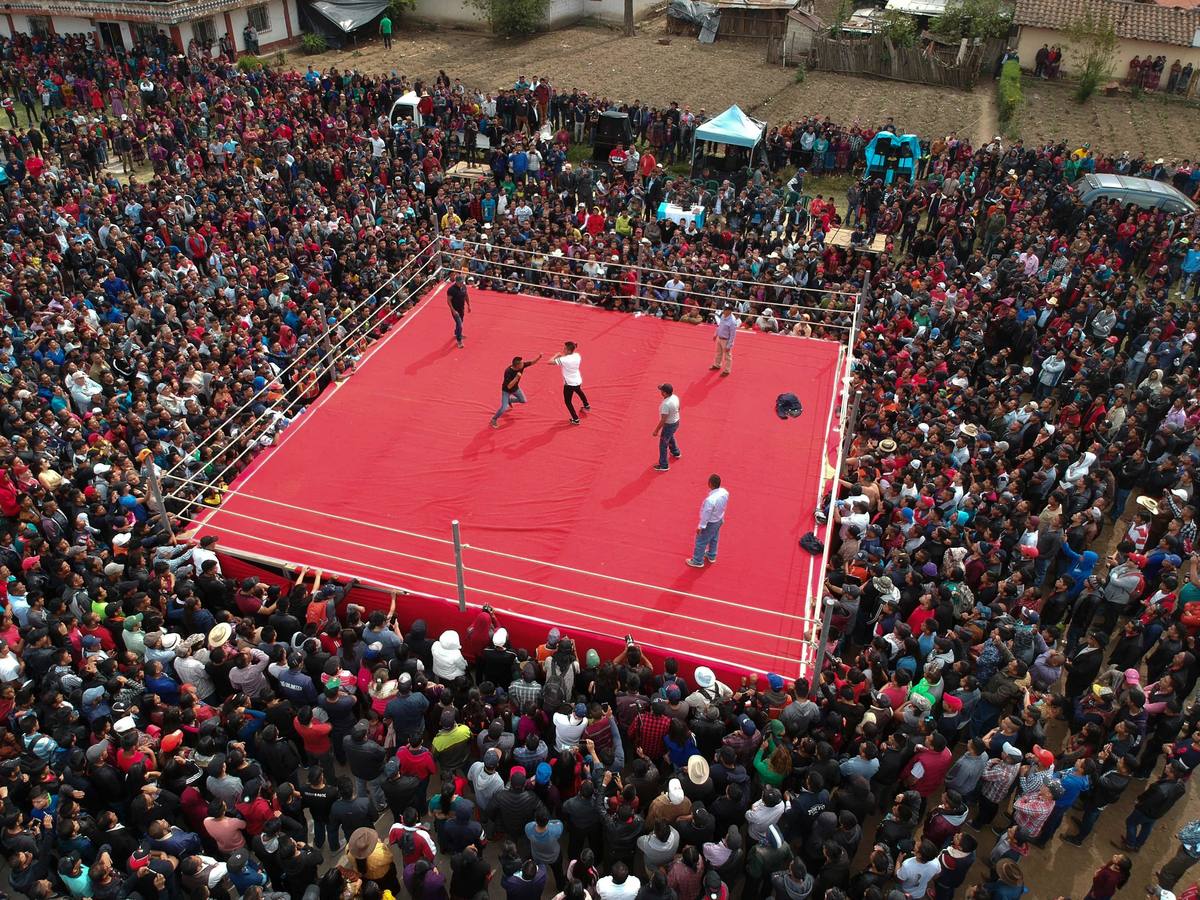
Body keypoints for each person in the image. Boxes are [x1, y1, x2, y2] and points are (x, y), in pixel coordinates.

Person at [687, 474, 729, 568]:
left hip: (710, 522)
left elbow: (706, 514)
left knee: (701, 541)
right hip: (719, 519)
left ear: (710, 484)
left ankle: (698, 561)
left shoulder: (710, 500)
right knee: (714, 538)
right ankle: (711, 555)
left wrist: (701, 526)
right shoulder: (724, 492)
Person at [491, 353, 543, 428]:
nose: (523, 363)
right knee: (504, 408)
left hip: (516, 389)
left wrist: (539, 357)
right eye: (522, 363)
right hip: (506, 391)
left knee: (523, 400)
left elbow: (531, 362)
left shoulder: (521, 366)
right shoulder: (508, 372)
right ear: (517, 365)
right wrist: (516, 377)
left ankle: (510, 400)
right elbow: (509, 386)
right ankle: (494, 419)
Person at [549, 341, 589, 425]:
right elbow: (567, 358)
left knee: (568, 401)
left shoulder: (564, 359)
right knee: (579, 391)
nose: (563, 349)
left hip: (569, 384)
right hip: (577, 380)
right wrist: (562, 356)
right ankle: (586, 405)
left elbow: (549, 362)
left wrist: (556, 355)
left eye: (564, 348)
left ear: (569, 350)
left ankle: (575, 419)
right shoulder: (577, 355)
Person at [653, 383, 681, 471]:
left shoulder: (665, 404)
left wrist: (656, 430)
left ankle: (664, 465)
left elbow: (663, 419)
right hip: (676, 422)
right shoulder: (675, 397)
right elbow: (678, 408)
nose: (660, 391)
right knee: (670, 437)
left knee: (663, 445)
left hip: (669, 425)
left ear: (664, 393)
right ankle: (675, 452)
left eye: (661, 390)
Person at [711, 305, 737, 376]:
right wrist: (716, 334)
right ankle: (717, 365)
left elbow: (732, 335)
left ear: (729, 311)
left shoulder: (732, 321)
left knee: (727, 356)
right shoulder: (723, 316)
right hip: (720, 337)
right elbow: (720, 326)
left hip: (726, 340)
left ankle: (727, 370)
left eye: (725, 309)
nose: (723, 311)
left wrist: (729, 345)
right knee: (718, 352)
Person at [448, 275, 471, 348]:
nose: (462, 283)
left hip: (462, 308)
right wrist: (453, 310)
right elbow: (448, 300)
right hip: (455, 310)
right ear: (456, 282)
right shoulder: (451, 289)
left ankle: (456, 332)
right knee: (460, 324)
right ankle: (459, 340)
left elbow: (466, 296)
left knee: (461, 321)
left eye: (462, 282)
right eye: (460, 282)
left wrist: (469, 305)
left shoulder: (464, 286)